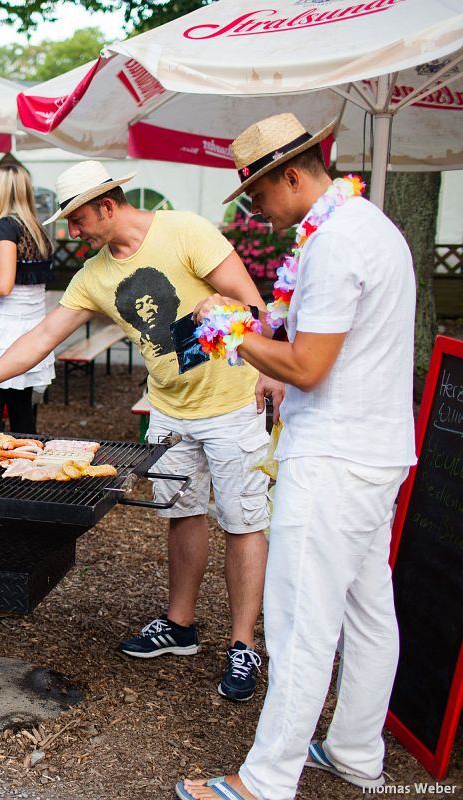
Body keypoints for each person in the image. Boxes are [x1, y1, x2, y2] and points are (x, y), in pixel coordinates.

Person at [0, 160, 284, 702]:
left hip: (230, 402)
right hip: (169, 409)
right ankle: (180, 625)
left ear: (107, 205)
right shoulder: (93, 277)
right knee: (182, 513)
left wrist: (270, 368)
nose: (72, 232)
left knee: (244, 521)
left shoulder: (186, 230)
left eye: (77, 220)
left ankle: (243, 644)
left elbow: (251, 304)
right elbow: (42, 337)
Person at [178, 113, 416, 800]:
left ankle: (266, 781)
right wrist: (260, 330)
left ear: (292, 173)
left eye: (256, 192)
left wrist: (231, 332)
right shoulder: (365, 226)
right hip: (373, 452)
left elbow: (307, 366)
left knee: (297, 619)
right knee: (369, 612)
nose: (255, 207)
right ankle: (354, 752)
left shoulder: (337, 244)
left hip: (336, 456)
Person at [0, 161, 55, 434]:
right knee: (22, 412)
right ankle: (26, 471)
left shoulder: (6, 227)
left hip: (3, 332)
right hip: (32, 328)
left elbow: (3, 286)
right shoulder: (37, 230)